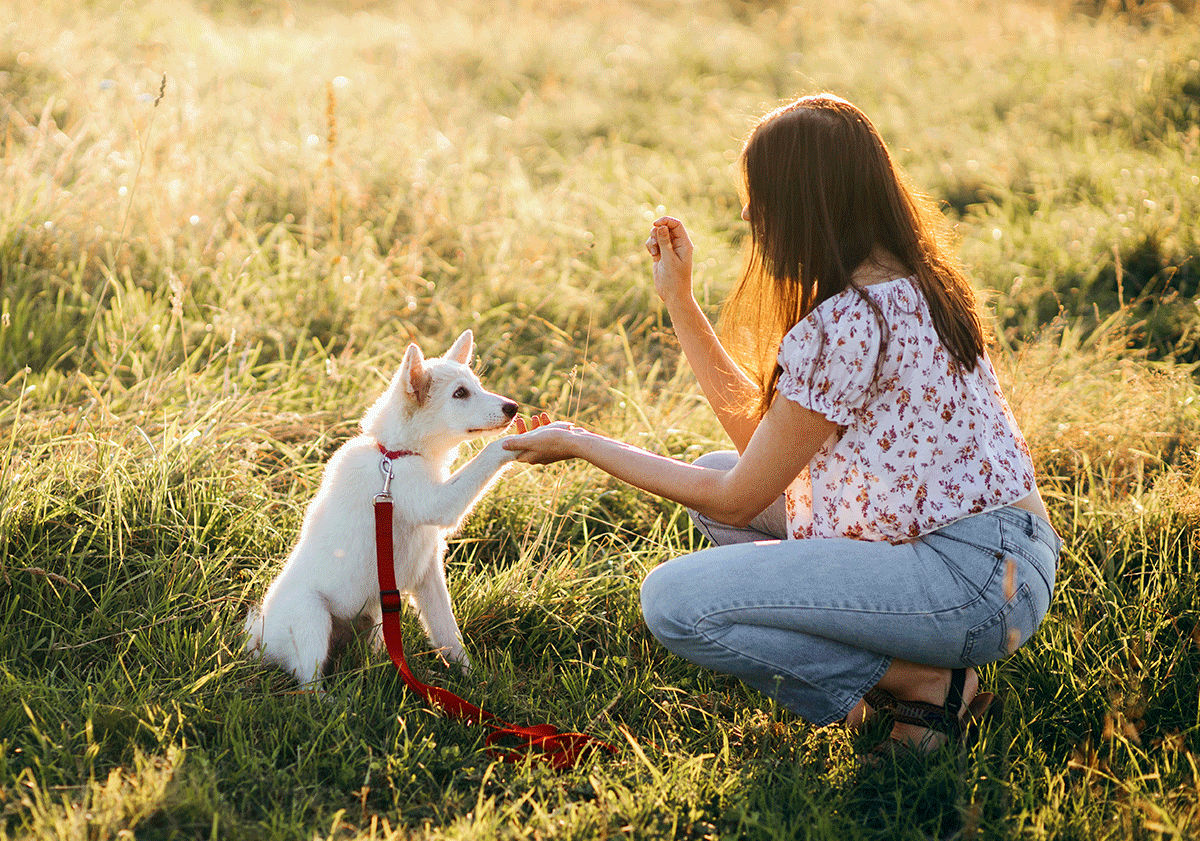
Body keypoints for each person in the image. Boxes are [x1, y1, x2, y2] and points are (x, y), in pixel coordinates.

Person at [503, 94, 1061, 755]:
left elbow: (740, 495)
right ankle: (920, 675)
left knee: (674, 601)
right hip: (1006, 559)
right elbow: (758, 455)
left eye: (758, 201)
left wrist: (579, 441)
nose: (748, 217)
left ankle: (923, 682)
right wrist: (680, 303)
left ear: (803, 203)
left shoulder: (850, 322)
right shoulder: (912, 282)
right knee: (714, 472)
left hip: (970, 583)